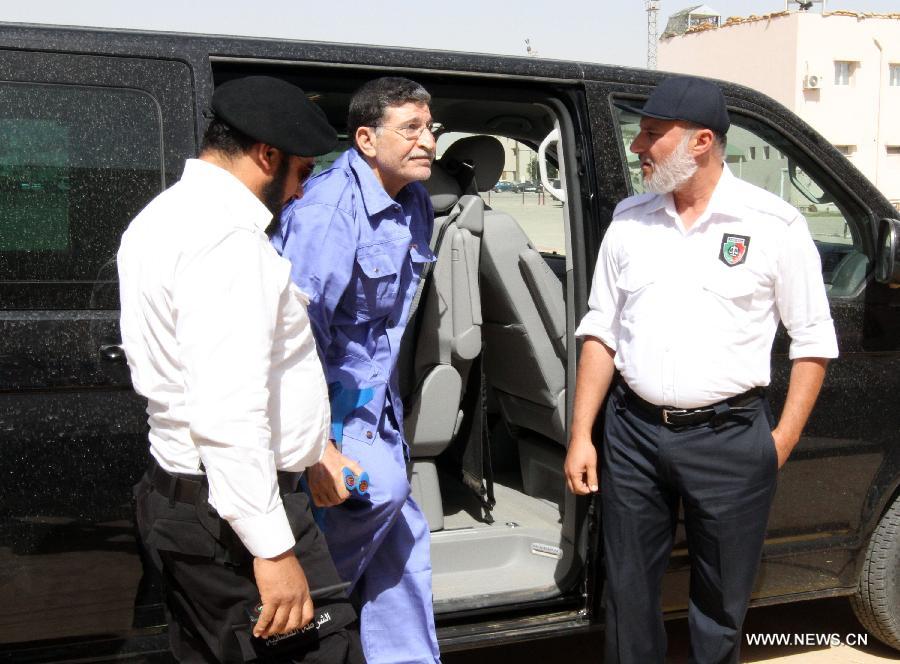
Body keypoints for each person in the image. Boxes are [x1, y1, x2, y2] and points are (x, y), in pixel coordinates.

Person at [563, 75, 839, 664]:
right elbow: (601, 329)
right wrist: (583, 433)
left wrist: (779, 442)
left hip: (729, 439)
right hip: (632, 434)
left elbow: (813, 340)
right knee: (629, 597)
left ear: (701, 141)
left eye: (652, 134)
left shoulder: (775, 225)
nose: (638, 147)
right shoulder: (630, 220)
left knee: (720, 607)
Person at [118, 75, 364, 663]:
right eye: (303, 172)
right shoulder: (228, 243)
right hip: (233, 515)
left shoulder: (164, 215)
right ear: (266, 154)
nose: (302, 192)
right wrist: (274, 550)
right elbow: (226, 410)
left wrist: (313, 450)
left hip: (189, 499)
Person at [271, 76, 441, 664]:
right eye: (412, 129)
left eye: (431, 128)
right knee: (374, 499)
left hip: (378, 403)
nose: (428, 142)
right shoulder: (326, 212)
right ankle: (291, 635)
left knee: (403, 544)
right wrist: (318, 447)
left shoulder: (413, 198)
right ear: (366, 139)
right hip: (328, 405)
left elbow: (386, 328)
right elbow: (292, 339)